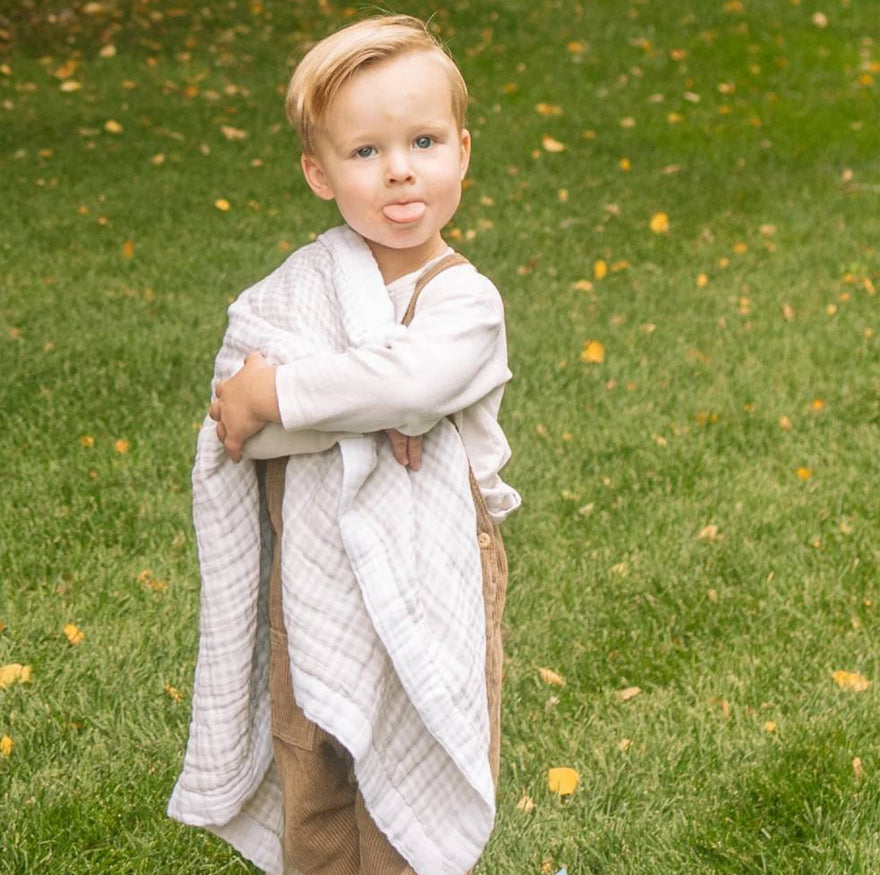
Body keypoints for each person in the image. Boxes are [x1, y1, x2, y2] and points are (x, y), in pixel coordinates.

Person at [168, 15, 520, 875]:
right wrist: (342, 405)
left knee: (411, 758)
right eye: (365, 152)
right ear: (318, 173)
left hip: (431, 565)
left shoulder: (464, 302)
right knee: (314, 753)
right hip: (314, 569)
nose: (400, 168)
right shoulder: (299, 289)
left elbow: (408, 383)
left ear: (463, 152)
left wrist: (288, 393)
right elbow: (237, 414)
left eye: (424, 141)